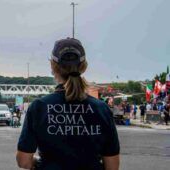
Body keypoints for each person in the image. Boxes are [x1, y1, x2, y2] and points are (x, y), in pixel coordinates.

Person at [16, 38, 120, 170]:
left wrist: (39, 162)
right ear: (83, 67)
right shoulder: (101, 109)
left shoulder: (39, 107)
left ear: (53, 67)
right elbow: (112, 166)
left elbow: (23, 161)